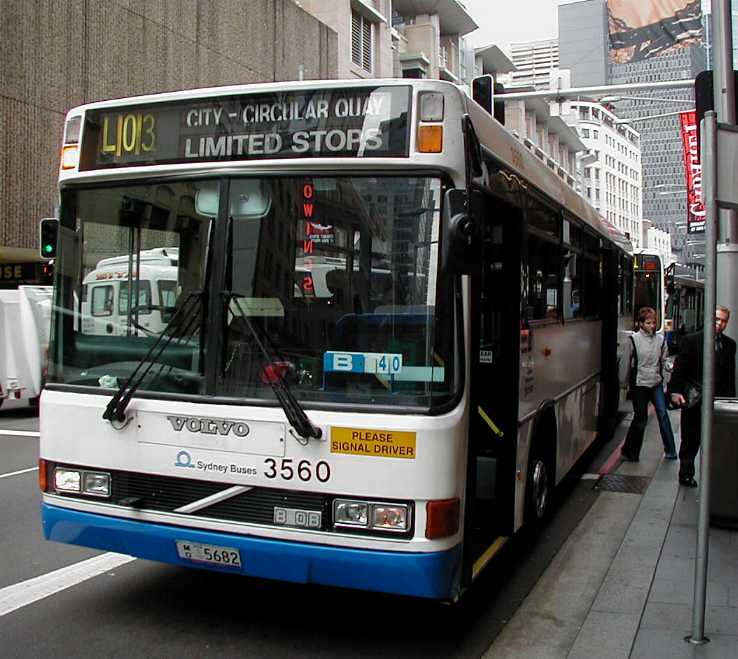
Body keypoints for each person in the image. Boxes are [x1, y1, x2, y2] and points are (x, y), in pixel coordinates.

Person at [668, 305, 736, 487]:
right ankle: (686, 474)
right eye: (716, 319)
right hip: (695, 399)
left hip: (717, 400)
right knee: (691, 439)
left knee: (716, 439)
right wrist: (675, 392)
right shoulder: (692, 340)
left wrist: (730, 399)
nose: (720, 324)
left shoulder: (730, 345)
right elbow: (679, 370)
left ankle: (713, 477)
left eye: (723, 321)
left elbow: (730, 375)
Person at [621, 306, 677, 462]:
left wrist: (671, 367)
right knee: (641, 419)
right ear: (641, 324)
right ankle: (631, 452)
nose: (652, 326)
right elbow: (626, 363)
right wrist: (624, 383)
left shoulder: (660, 340)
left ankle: (671, 451)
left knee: (663, 414)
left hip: (656, 383)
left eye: (654, 323)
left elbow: (665, 360)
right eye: (649, 323)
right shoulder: (633, 340)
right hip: (640, 384)